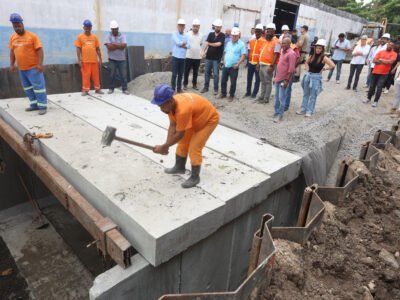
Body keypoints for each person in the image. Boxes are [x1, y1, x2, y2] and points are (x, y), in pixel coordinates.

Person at [152, 84, 219, 188]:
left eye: (161, 105)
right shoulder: (170, 106)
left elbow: (179, 134)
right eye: (159, 105)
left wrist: (164, 146)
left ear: (170, 101)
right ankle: (179, 167)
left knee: (194, 147)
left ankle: (195, 177)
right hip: (194, 119)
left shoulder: (182, 110)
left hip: (209, 120)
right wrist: (166, 145)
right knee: (183, 142)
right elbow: (173, 125)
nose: (160, 108)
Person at [8, 13, 48, 115]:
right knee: (28, 88)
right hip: (22, 69)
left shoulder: (32, 36)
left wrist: (40, 64)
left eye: (18, 25)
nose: (17, 28)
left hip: (33, 68)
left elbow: (39, 50)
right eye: (15, 26)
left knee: (39, 88)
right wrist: (12, 64)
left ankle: (42, 106)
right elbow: (12, 52)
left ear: (22, 24)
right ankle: (34, 104)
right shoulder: (13, 37)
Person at [296, 39, 335, 117]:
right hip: (308, 76)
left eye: (320, 48)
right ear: (315, 48)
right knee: (306, 94)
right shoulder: (311, 56)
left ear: (322, 49)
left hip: (316, 78)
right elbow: (306, 62)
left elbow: (333, 66)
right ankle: (303, 109)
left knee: (313, 96)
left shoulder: (324, 58)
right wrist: (306, 68)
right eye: (317, 48)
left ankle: (309, 111)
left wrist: (324, 69)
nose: (318, 49)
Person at [363, 41, 397, 107]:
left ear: (392, 47)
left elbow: (390, 62)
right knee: (372, 86)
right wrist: (384, 61)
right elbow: (374, 60)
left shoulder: (394, 54)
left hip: (384, 74)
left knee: (379, 87)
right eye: (388, 45)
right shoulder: (381, 52)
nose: (389, 46)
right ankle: (368, 98)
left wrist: (381, 60)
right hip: (375, 71)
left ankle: (375, 101)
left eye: (391, 45)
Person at [75, 19, 103, 96]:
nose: (87, 29)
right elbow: (78, 48)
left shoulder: (94, 37)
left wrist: (100, 59)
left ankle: (97, 89)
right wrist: (79, 60)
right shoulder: (80, 37)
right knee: (85, 76)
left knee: (96, 76)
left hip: (94, 61)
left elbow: (98, 49)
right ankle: (85, 90)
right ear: (83, 27)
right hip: (85, 61)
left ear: (91, 28)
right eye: (86, 27)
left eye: (89, 27)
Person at [218, 27, 246, 101]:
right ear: (230, 35)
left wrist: (238, 64)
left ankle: (231, 95)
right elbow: (225, 52)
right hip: (226, 65)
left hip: (234, 66)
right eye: (232, 35)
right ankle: (223, 93)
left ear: (238, 36)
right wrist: (223, 60)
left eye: (235, 36)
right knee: (223, 80)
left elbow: (243, 55)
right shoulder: (229, 43)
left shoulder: (241, 44)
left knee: (233, 82)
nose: (233, 37)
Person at [273, 38, 297, 122]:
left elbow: (291, 69)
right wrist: (275, 77)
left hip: (284, 79)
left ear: (289, 44)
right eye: (282, 43)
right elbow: (280, 64)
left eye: (285, 43)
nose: (282, 45)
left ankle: (280, 115)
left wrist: (286, 81)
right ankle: (276, 112)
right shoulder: (282, 51)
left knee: (281, 97)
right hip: (278, 77)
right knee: (276, 96)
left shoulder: (291, 53)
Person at [256, 23, 280, 104]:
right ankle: (261, 96)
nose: (268, 32)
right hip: (262, 64)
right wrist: (258, 63)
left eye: (270, 31)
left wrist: (271, 66)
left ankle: (266, 99)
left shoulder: (277, 42)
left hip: (268, 65)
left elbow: (276, 54)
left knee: (268, 82)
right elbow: (261, 52)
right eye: (267, 31)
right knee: (262, 81)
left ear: (274, 31)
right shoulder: (266, 41)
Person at [104, 20, 129, 95]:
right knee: (112, 74)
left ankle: (125, 89)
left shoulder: (123, 36)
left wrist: (114, 44)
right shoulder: (108, 36)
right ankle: (111, 88)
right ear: (111, 29)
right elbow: (109, 47)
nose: (114, 30)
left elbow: (123, 46)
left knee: (123, 75)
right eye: (113, 29)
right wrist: (118, 45)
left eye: (115, 29)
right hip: (112, 59)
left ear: (118, 28)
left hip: (122, 59)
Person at [201, 19, 225, 96]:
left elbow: (218, 44)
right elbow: (206, 43)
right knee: (206, 73)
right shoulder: (210, 34)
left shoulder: (222, 35)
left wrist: (209, 43)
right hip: (208, 57)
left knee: (216, 74)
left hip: (216, 59)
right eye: (216, 27)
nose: (217, 28)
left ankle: (215, 89)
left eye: (219, 27)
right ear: (214, 27)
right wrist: (203, 51)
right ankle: (206, 87)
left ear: (221, 27)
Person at [245, 23, 266, 98]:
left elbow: (262, 54)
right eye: (256, 31)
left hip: (257, 64)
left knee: (257, 80)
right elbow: (249, 51)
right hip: (250, 62)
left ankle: (254, 94)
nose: (257, 33)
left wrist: (258, 63)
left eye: (258, 31)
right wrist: (248, 61)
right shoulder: (251, 41)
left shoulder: (264, 42)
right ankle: (248, 92)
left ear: (261, 32)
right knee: (249, 78)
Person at [171, 19, 190, 93]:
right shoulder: (174, 34)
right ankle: (173, 89)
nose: (181, 27)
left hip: (182, 58)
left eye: (183, 26)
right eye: (180, 26)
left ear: (184, 27)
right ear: (178, 26)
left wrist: (183, 44)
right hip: (175, 57)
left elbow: (189, 46)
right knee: (174, 74)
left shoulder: (186, 35)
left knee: (181, 74)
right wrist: (183, 44)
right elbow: (178, 42)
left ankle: (179, 89)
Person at [183, 19, 202, 90]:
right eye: (194, 26)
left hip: (197, 57)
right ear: (192, 26)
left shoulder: (201, 35)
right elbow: (184, 43)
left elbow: (200, 44)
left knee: (195, 72)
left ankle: (194, 84)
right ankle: (185, 84)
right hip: (188, 56)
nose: (195, 28)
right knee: (186, 71)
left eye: (197, 26)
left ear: (199, 27)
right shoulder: (187, 34)